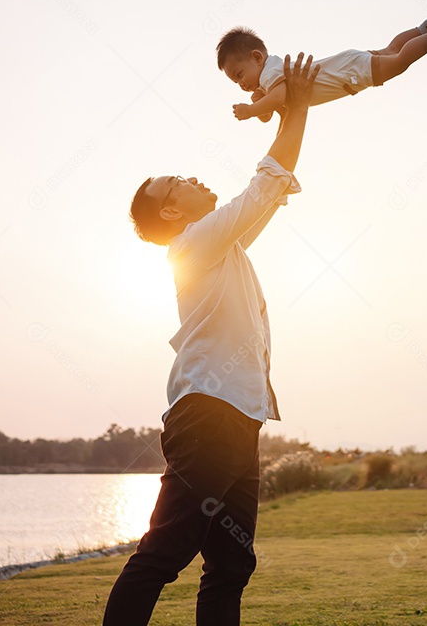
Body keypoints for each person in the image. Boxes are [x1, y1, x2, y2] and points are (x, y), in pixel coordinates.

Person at [101, 54, 320, 626]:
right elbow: (264, 184)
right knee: (165, 553)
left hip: (237, 419)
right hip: (208, 417)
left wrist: (292, 110)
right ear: (172, 211)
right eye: (179, 181)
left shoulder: (220, 246)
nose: (194, 177)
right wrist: (294, 106)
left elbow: (265, 196)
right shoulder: (193, 245)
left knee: (230, 565)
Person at [218, 18, 427, 123]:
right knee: (391, 50)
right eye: (235, 82)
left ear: (257, 57)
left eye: (239, 74)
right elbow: (269, 113)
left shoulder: (270, 74)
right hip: (348, 64)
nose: (241, 84)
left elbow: (278, 99)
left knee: (397, 63)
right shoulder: (270, 75)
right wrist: (259, 102)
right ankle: (422, 29)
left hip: (348, 73)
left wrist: (250, 110)